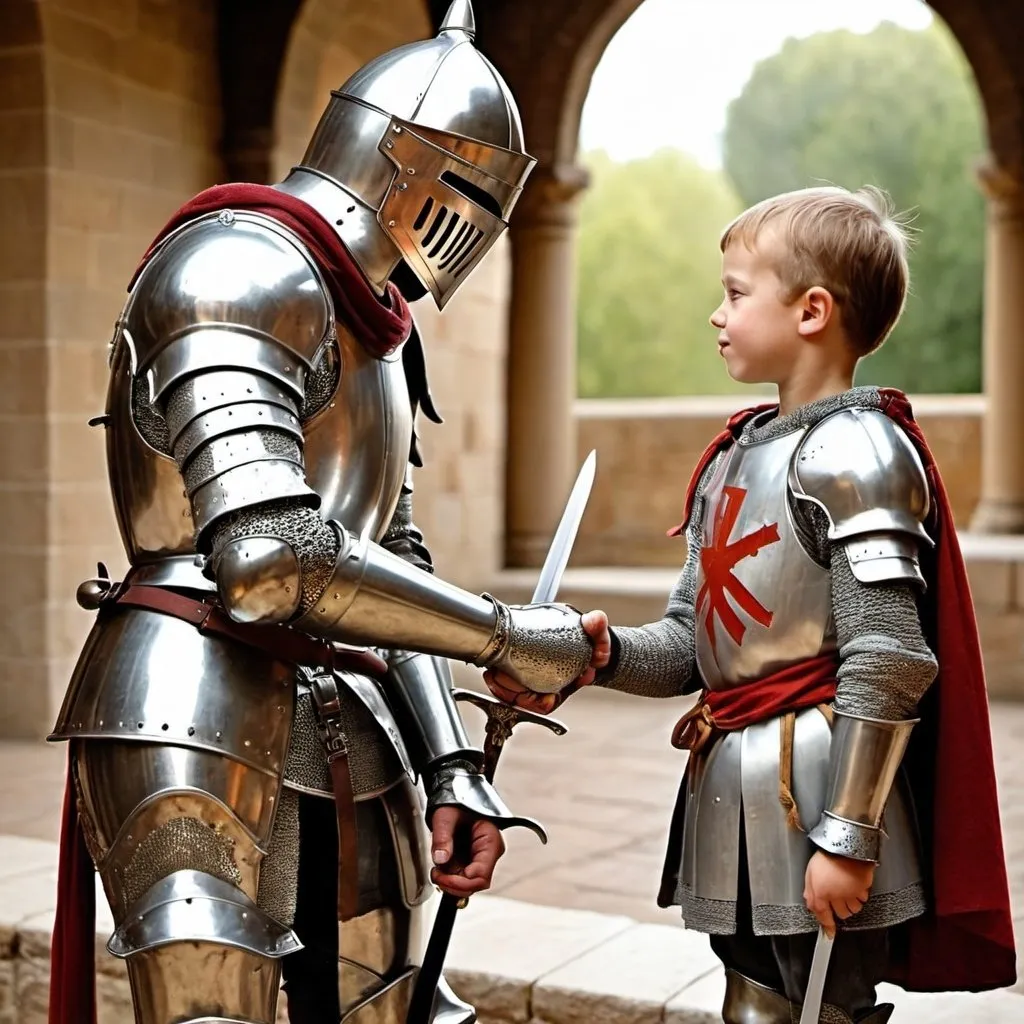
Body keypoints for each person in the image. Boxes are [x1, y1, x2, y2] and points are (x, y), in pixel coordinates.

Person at [46, 4, 596, 1023]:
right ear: (402, 159)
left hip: (354, 712)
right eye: (468, 185)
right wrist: (509, 634)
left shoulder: (375, 321)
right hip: (192, 704)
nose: (471, 220)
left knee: (383, 1008)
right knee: (214, 1010)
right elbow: (267, 557)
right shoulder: (236, 271)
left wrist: (449, 761)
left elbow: (387, 538)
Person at [486, 185, 1016, 1023]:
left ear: (812, 311)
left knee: (818, 1010)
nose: (716, 313)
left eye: (735, 293)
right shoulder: (737, 454)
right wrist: (603, 654)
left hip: (817, 787)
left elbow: (888, 658)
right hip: (731, 788)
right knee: (752, 1005)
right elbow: (695, 643)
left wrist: (847, 834)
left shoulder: (859, 452)